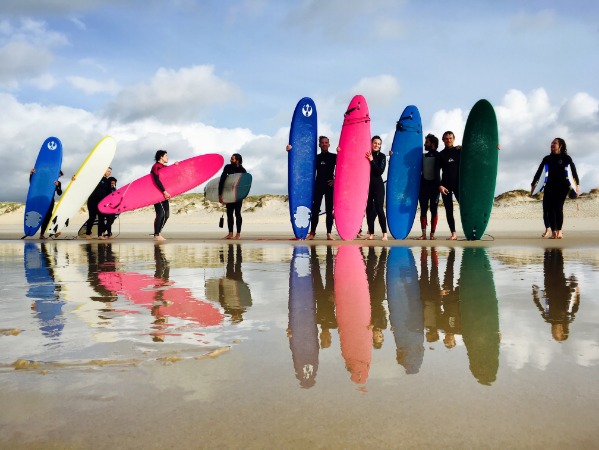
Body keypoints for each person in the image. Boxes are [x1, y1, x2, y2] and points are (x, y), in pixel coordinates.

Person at [287, 136, 337, 240]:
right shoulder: (315, 158)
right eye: (322, 143)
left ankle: (328, 233)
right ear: (319, 145)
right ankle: (312, 233)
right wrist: (290, 151)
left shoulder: (334, 157)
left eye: (326, 142)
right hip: (318, 185)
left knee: (329, 210)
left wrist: (336, 180)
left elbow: (344, 166)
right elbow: (301, 161)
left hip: (329, 185)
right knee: (315, 210)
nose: (324, 144)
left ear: (329, 144)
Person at [531, 138, 579, 239]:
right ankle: (554, 232)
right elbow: (539, 172)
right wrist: (533, 184)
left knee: (558, 208)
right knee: (549, 209)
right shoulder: (547, 159)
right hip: (549, 186)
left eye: (555, 143)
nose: (552, 144)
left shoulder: (566, 158)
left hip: (562, 187)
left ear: (560, 145)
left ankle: (560, 231)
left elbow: (573, 171)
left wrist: (576, 186)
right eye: (552, 143)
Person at [435, 131, 461, 240]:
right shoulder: (441, 155)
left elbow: (475, 153)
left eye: (450, 138)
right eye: (446, 138)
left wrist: (494, 147)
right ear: (443, 140)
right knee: (449, 210)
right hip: (445, 186)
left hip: (459, 185)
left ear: (454, 139)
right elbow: (436, 171)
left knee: (465, 207)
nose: (448, 140)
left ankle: (471, 230)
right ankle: (453, 234)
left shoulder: (459, 151)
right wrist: (439, 186)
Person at [364, 135, 388, 240]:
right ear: (371, 143)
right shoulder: (366, 155)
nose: (376, 145)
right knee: (369, 209)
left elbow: (379, 172)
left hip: (378, 185)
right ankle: (371, 234)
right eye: (375, 143)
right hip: (368, 185)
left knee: (379, 209)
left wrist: (372, 160)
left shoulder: (382, 156)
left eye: (378, 144)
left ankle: (385, 234)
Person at [417, 134, 440, 240]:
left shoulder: (439, 155)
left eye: (427, 142)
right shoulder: (423, 156)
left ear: (433, 144)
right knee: (423, 209)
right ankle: (424, 233)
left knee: (434, 210)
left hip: (435, 186)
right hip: (424, 185)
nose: (425, 144)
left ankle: (432, 234)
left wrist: (459, 148)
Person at [219, 153, 247, 240]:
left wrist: (242, 195)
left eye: (232, 159)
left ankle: (238, 234)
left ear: (237, 160)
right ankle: (230, 233)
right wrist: (220, 194)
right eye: (231, 158)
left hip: (238, 195)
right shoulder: (228, 167)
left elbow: (245, 185)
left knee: (237, 213)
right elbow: (222, 180)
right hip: (229, 194)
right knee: (229, 214)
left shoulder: (243, 171)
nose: (230, 160)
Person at [30, 169, 63, 239]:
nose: (58, 177)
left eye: (59, 176)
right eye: (58, 175)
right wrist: (32, 174)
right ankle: (50, 232)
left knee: (48, 216)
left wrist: (57, 186)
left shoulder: (58, 182)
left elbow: (59, 193)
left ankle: (43, 234)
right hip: (41, 200)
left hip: (50, 201)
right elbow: (33, 183)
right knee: (43, 216)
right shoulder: (45, 180)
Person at [86, 167, 112, 240]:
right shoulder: (96, 178)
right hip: (92, 201)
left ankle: (100, 235)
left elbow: (109, 193)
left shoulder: (107, 181)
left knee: (101, 218)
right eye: (108, 171)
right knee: (92, 217)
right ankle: (88, 233)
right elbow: (85, 180)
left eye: (110, 172)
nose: (110, 173)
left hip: (102, 202)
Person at [151, 150, 172, 241]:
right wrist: (164, 191)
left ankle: (158, 232)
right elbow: (156, 180)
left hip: (164, 194)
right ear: (161, 157)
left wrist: (176, 165)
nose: (167, 157)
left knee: (166, 214)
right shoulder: (156, 166)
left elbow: (171, 173)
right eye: (166, 156)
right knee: (161, 213)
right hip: (156, 193)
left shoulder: (164, 167)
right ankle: (156, 234)